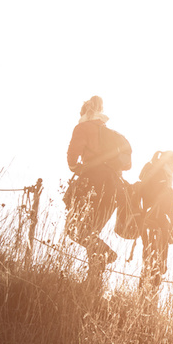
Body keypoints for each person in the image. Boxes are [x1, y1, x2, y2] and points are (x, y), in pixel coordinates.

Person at [65, 96, 131, 284]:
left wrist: (77, 168)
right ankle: (93, 281)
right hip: (114, 190)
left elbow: (72, 157)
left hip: (92, 185)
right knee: (91, 231)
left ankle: (106, 254)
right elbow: (128, 165)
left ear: (85, 113)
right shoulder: (116, 136)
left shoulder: (83, 128)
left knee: (74, 229)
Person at [135, 150, 173, 294]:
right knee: (154, 259)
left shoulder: (156, 173)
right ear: (168, 162)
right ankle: (148, 293)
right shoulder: (160, 174)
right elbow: (161, 198)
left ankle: (146, 292)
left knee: (150, 258)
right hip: (155, 223)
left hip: (151, 222)